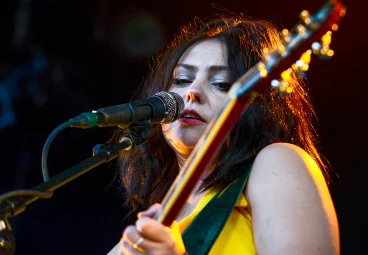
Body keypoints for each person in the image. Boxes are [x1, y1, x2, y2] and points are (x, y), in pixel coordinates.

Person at [107, 13, 340, 254]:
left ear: (258, 106)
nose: (192, 92)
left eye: (221, 83)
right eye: (182, 79)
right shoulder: (135, 241)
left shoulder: (277, 162)